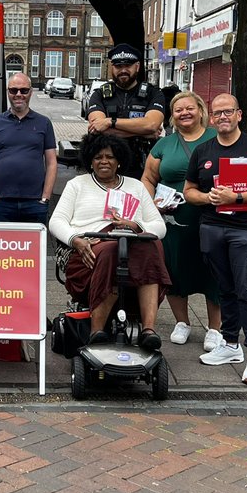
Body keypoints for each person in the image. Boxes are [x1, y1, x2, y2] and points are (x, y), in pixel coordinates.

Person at [183, 93, 247, 386]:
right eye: (217, 113)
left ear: (239, 114)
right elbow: (189, 189)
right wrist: (207, 197)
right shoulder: (203, 150)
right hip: (212, 227)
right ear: (210, 118)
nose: (222, 117)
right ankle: (230, 344)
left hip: (246, 230)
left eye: (228, 112)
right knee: (224, 288)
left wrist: (236, 196)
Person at [48, 132, 169, 350]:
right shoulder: (78, 185)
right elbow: (56, 221)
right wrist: (76, 239)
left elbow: (159, 226)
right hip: (88, 249)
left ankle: (149, 330)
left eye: (110, 157)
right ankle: (97, 330)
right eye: (98, 157)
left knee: (152, 246)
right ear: (90, 161)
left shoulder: (135, 186)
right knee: (113, 250)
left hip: (132, 246)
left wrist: (134, 225)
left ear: (119, 161)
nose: (104, 161)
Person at [141, 91, 223, 350]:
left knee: (213, 271)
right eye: (178, 110)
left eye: (189, 108)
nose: (184, 113)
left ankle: (215, 329)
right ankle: (182, 322)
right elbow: (148, 178)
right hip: (173, 220)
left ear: (200, 110)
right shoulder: (164, 145)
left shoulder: (217, 138)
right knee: (175, 268)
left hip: (212, 216)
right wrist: (150, 203)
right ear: (172, 116)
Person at [0, 72, 57, 225]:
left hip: (35, 203)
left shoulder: (44, 123)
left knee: (34, 248)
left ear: (31, 92)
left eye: (24, 90)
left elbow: (51, 162)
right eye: (13, 90)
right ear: (8, 92)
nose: (18, 94)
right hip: (1, 202)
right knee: (1, 247)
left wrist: (45, 198)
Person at [84, 43, 166, 179]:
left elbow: (151, 125)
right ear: (112, 67)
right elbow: (98, 128)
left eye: (127, 66)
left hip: (142, 167)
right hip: (107, 167)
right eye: (118, 66)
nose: (123, 70)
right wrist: (142, 131)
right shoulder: (99, 94)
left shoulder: (153, 93)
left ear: (137, 66)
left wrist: (110, 122)